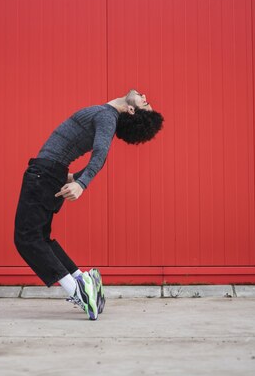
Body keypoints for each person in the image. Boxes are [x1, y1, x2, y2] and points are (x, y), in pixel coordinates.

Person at [13, 89, 164, 320]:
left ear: (131, 110)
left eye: (146, 103)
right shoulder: (106, 115)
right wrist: (73, 177)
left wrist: (81, 183)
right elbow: (99, 154)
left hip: (43, 174)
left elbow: (101, 153)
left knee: (27, 238)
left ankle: (77, 291)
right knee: (39, 238)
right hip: (50, 173)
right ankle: (82, 279)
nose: (145, 97)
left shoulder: (107, 116)